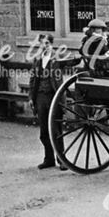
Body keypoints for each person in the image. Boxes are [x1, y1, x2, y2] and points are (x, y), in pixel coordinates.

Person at [28, 34, 78, 170]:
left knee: (56, 129)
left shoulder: (57, 58)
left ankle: (62, 160)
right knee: (44, 130)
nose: (44, 46)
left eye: (47, 43)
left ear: (51, 44)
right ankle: (48, 159)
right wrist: (31, 98)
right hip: (40, 97)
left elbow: (70, 62)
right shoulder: (37, 59)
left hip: (54, 97)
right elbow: (32, 80)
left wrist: (80, 58)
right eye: (41, 44)